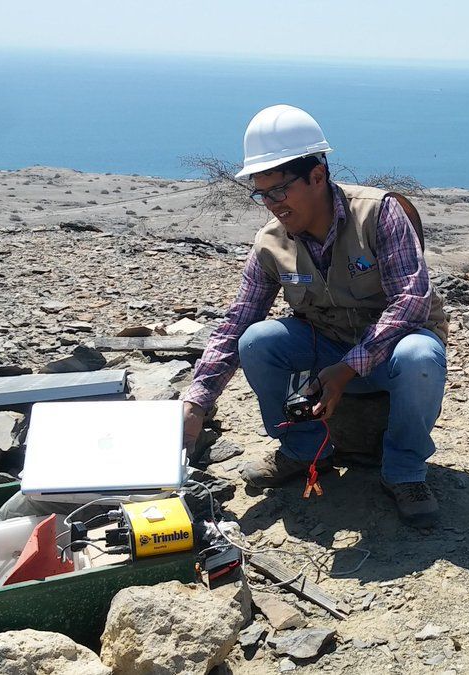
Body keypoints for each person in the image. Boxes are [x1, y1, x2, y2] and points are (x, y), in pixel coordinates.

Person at [183, 104, 449, 527]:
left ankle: (405, 471)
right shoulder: (271, 243)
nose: (271, 204)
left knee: (420, 356)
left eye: (279, 190)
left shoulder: (379, 213)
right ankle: (306, 450)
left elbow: (412, 302)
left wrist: (346, 370)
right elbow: (239, 320)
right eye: (262, 193)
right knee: (257, 341)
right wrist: (198, 401)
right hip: (326, 347)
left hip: (391, 354)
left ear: (318, 175)